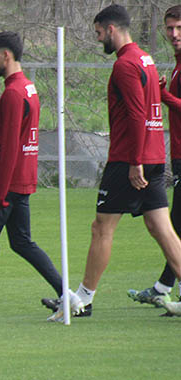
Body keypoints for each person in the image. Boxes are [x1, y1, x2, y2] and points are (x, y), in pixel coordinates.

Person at [47, 4, 181, 321]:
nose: (98, 40)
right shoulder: (145, 59)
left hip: (128, 160)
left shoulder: (125, 64)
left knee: (101, 228)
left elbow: (137, 114)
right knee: (162, 229)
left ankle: (83, 299)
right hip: (154, 157)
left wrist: (134, 162)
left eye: (98, 33)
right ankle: (83, 297)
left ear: (110, 29)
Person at [0, 32, 82, 324]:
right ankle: (67, 295)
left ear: (6, 56)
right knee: (21, 241)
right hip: (22, 180)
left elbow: (9, 147)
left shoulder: (12, 94)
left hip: (4, 182)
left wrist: (0, 192)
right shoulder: (29, 88)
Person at [125, 5, 181, 311]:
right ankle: (163, 287)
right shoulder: (176, 65)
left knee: (171, 223)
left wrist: (164, 96)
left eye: (179, 28)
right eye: (170, 28)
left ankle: (163, 288)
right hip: (176, 154)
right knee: (169, 222)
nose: (174, 34)